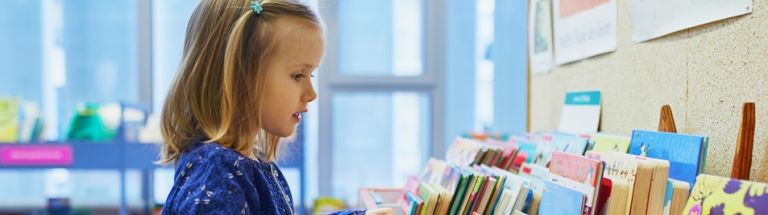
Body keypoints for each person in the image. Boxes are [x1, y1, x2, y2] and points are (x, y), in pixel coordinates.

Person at [159, 0, 393, 214]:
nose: (311, 94)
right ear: (242, 77)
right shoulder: (217, 175)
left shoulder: (242, 162)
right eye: (298, 75)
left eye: (311, 74)